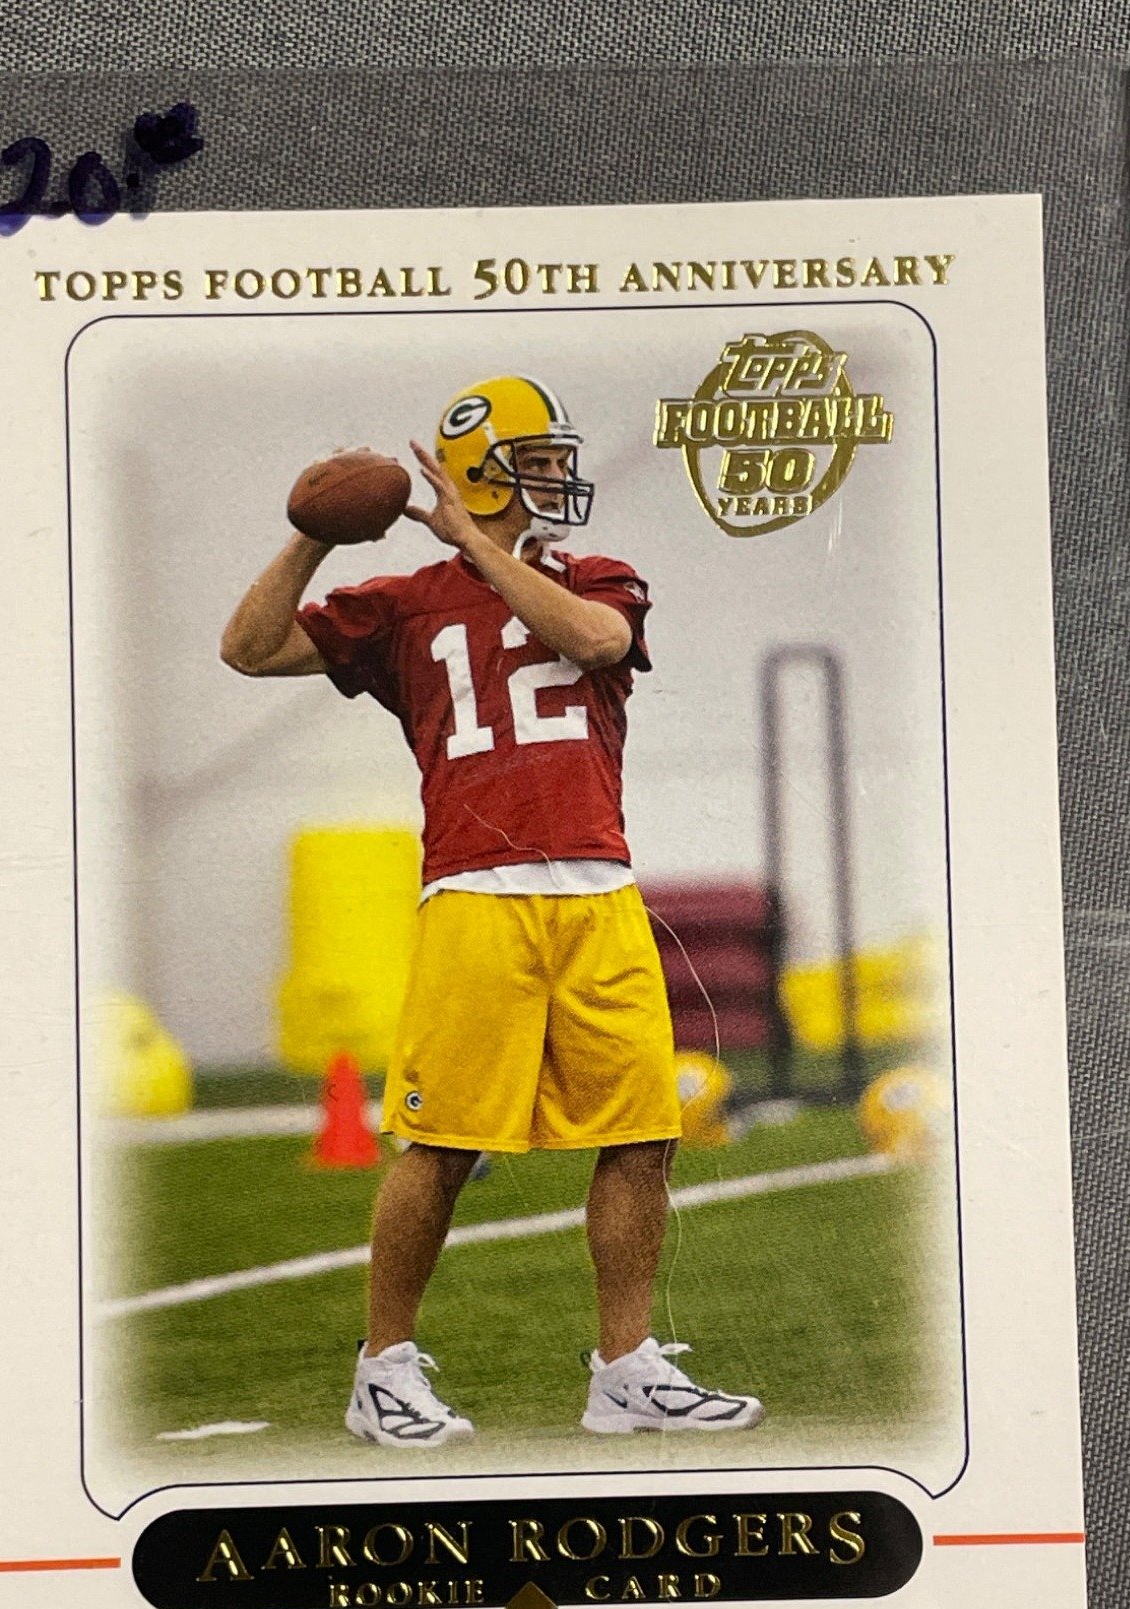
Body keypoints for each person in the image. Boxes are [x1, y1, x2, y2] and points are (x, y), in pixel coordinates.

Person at [221, 375, 762, 1446]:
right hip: (477, 894)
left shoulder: (597, 577)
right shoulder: (405, 603)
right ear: (480, 470)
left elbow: (596, 643)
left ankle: (624, 1370)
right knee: (439, 1144)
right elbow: (249, 648)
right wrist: (313, 534)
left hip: (598, 891)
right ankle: (383, 1371)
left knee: (644, 1133)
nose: (559, 476)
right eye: (538, 459)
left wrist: (477, 546)